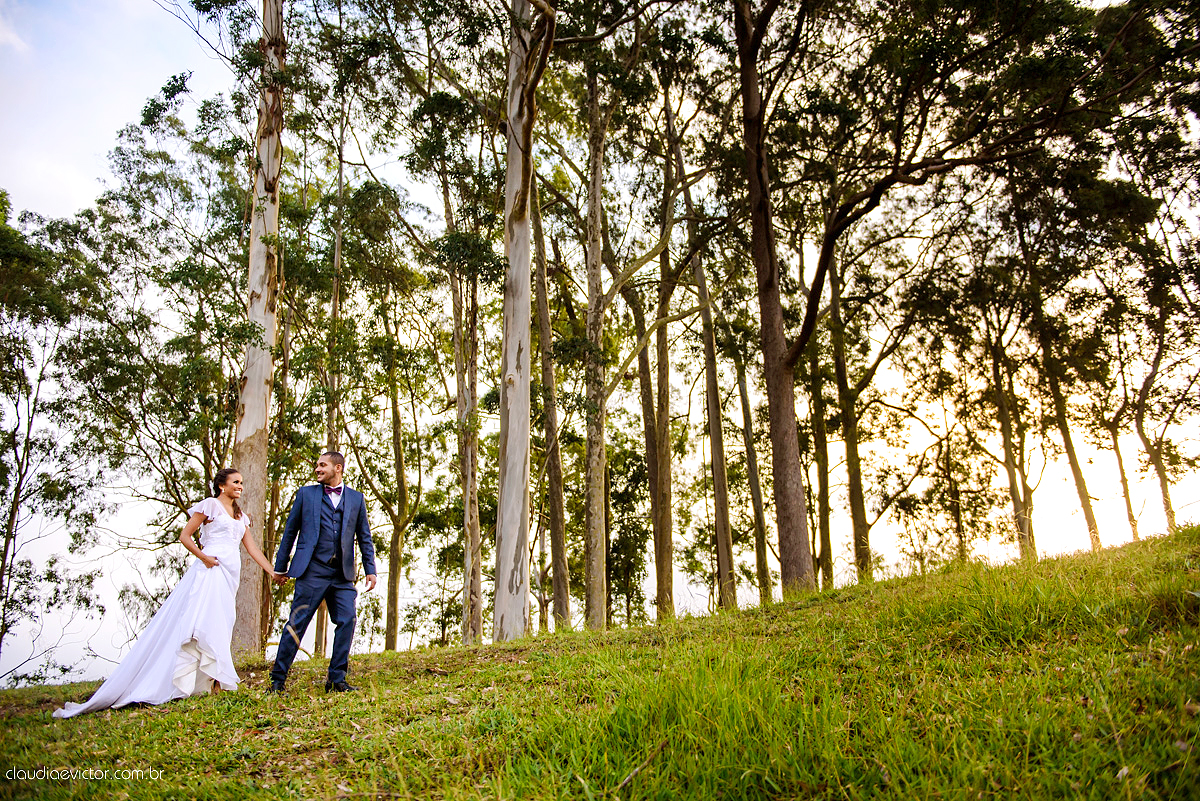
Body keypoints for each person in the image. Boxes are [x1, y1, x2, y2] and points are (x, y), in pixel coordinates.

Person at [54, 468, 279, 718]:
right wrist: (203, 557)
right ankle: (209, 681)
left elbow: (252, 549)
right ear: (221, 486)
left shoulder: (240, 516)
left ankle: (210, 681)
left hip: (230, 574)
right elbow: (185, 536)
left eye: (242, 482)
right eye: (236, 482)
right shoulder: (209, 506)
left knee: (224, 623)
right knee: (205, 623)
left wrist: (271, 571)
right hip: (210, 571)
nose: (240, 486)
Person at [269, 451, 376, 694]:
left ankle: (336, 680)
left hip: (342, 574)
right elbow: (290, 532)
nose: (317, 469)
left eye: (322, 465)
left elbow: (364, 537)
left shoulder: (357, 499)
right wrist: (280, 566)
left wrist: (371, 570)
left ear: (337, 468)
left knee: (347, 620)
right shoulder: (306, 494)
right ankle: (277, 681)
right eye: (317, 465)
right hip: (312, 571)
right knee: (296, 624)